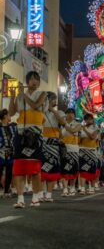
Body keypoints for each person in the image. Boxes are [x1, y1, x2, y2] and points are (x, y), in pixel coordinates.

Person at [9, 71, 47, 208]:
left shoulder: (43, 94)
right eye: (31, 79)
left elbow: (36, 105)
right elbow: (11, 113)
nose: (33, 81)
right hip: (21, 134)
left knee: (35, 168)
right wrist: (13, 97)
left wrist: (23, 94)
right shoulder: (20, 96)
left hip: (36, 135)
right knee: (19, 167)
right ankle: (20, 199)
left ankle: (35, 197)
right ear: (27, 82)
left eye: (36, 79)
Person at [41, 92, 65, 202]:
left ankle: (49, 194)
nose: (53, 101)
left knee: (53, 168)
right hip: (42, 143)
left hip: (53, 144)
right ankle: (41, 193)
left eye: (54, 100)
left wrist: (53, 110)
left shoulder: (59, 112)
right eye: (51, 99)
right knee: (41, 169)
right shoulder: (42, 112)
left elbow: (62, 122)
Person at [61, 108, 81, 196]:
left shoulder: (78, 124)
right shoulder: (61, 125)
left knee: (74, 170)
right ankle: (65, 189)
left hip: (74, 150)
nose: (70, 115)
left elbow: (73, 131)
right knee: (64, 170)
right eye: (68, 113)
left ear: (74, 115)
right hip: (64, 150)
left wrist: (65, 124)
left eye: (72, 113)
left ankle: (72, 187)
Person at [79, 113, 99, 195]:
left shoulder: (96, 128)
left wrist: (85, 130)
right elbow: (79, 140)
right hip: (83, 150)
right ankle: (83, 188)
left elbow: (92, 137)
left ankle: (92, 187)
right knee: (83, 170)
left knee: (92, 170)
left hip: (92, 151)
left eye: (90, 119)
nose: (88, 120)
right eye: (87, 119)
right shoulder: (81, 128)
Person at [0, 109, 16, 197]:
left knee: (9, 173)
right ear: (5, 116)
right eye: (9, 115)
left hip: (10, 153)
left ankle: (6, 191)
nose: (10, 117)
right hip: (0, 153)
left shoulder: (13, 126)